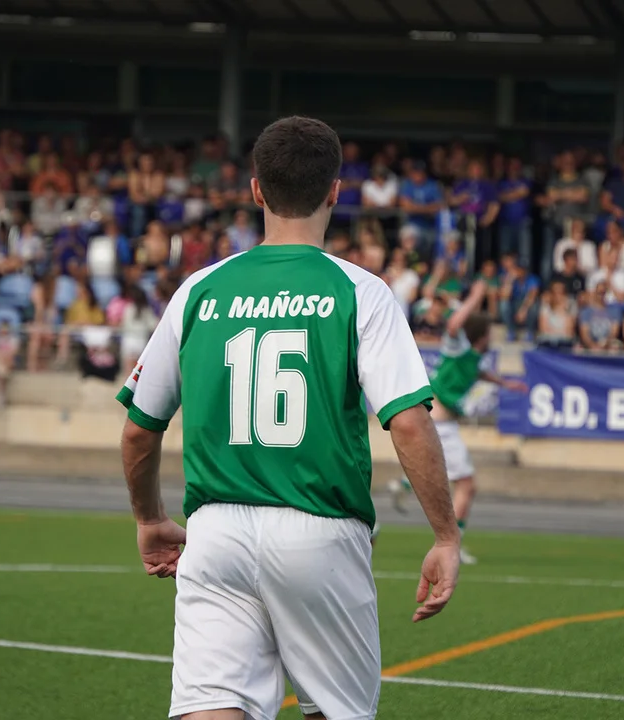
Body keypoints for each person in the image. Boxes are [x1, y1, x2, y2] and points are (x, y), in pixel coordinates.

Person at [117, 116, 460, 720]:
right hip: (319, 530)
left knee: (211, 708)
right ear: (335, 192)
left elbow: (141, 429)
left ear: (256, 190)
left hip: (215, 532)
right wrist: (446, 536)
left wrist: (149, 518)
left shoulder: (199, 289)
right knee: (335, 710)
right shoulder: (360, 291)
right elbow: (408, 422)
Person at [389, 280, 528, 563]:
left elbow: (479, 373)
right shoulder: (458, 347)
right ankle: (453, 543)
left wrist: (506, 384)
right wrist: (475, 297)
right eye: (489, 333)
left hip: (440, 424)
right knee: (466, 484)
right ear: (481, 334)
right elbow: (453, 325)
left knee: (446, 474)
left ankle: (405, 484)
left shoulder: (473, 358)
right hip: (442, 425)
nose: (492, 337)